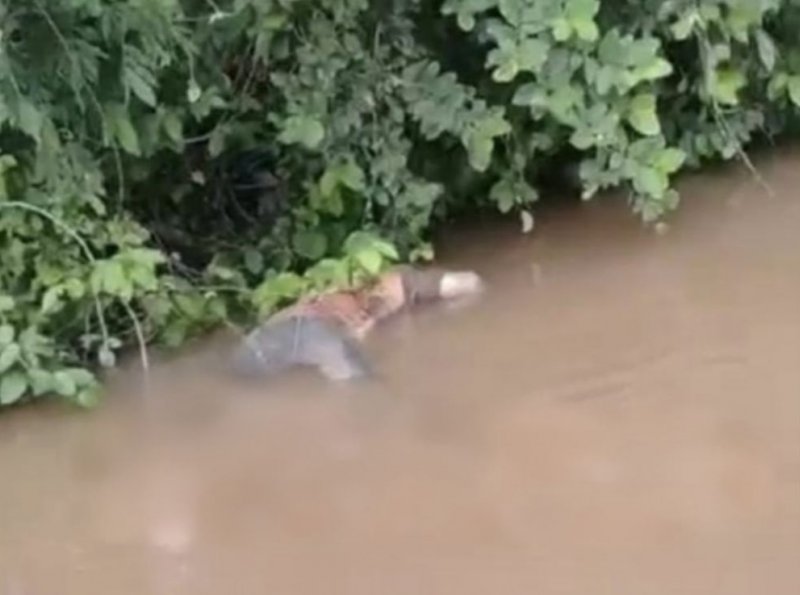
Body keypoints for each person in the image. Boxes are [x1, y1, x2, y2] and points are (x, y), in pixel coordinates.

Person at [229, 265, 484, 381]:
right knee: (363, 383)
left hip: (262, 356)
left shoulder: (393, 284)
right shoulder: (314, 326)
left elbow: (470, 283)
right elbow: (353, 383)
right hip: (265, 356)